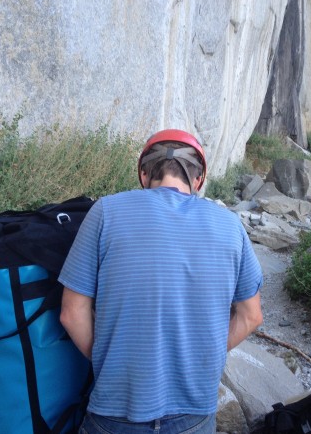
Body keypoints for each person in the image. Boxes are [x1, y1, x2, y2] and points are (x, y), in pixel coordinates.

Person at [59, 129, 263, 433]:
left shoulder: (105, 211)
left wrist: (110, 360)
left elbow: (71, 313)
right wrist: (201, 356)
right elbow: (251, 316)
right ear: (198, 181)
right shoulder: (230, 225)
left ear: (144, 175)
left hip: (115, 414)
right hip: (194, 417)